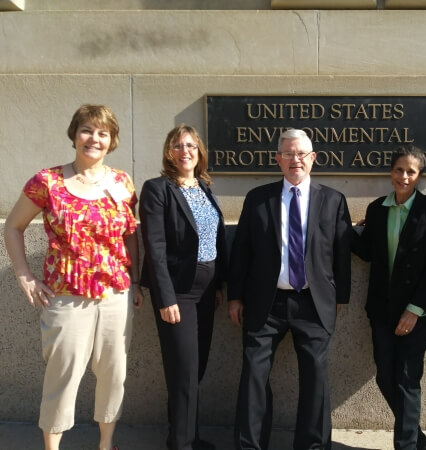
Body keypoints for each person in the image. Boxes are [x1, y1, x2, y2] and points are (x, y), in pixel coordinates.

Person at [3, 104, 143, 450]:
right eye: (87, 130)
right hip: (66, 297)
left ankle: (106, 444)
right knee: (62, 377)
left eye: (102, 133)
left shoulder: (123, 183)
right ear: (74, 135)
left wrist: (136, 281)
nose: (94, 138)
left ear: (111, 141)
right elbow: (13, 226)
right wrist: (25, 275)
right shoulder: (47, 181)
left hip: (115, 295)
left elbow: (130, 235)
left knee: (114, 376)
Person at [228, 128, 352, 450]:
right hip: (265, 304)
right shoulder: (258, 198)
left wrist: (341, 297)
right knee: (254, 376)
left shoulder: (333, 200)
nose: (295, 160)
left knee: (316, 379)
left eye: (301, 154)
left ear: (312, 159)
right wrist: (235, 296)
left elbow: (341, 252)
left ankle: (312, 446)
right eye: (288, 154)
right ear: (278, 159)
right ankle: (250, 445)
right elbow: (242, 250)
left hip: (313, 304)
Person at [352, 145, 426, 450]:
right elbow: (367, 252)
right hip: (381, 308)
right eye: (398, 170)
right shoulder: (377, 208)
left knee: (407, 380)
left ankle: (406, 446)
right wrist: (343, 228)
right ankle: (417, 440)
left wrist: (415, 309)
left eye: (411, 171)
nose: (403, 176)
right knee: (385, 376)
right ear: (390, 171)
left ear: (419, 175)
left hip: (416, 312)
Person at [139, 124, 228, 450]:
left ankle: (184, 437)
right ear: (168, 152)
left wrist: (219, 285)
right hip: (178, 293)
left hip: (207, 292)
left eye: (191, 145)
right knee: (184, 371)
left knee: (195, 369)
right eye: (177, 145)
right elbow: (155, 248)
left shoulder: (204, 188)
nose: (185, 150)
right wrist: (165, 297)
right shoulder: (158, 189)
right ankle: (182, 444)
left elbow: (213, 240)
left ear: (199, 151)